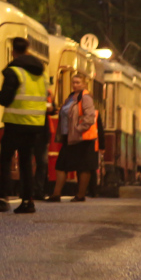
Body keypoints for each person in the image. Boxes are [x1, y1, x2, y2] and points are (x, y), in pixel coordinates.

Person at [0, 37, 49, 214]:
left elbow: (5, 99)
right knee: (26, 163)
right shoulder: (41, 74)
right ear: (27, 50)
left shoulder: (14, 72)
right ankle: (28, 201)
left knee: (5, 160)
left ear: (13, 51)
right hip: (35, 125)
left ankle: (2, 199)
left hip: (15, 124)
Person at [46, 74, 98, 202]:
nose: (75, 85)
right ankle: (56, 194)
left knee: (83, 167)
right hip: (69, 137)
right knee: (61, 165)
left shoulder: (85, 98)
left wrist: (78, 129)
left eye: (78, 82)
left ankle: (80, 195)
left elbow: (90, 117)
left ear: (85, 84)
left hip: (82, 138)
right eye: (73, 82)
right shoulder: (70, 97)